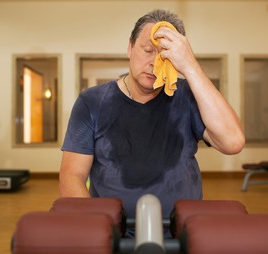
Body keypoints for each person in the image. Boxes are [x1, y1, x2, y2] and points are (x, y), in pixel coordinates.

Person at [59, 9, 245, 236]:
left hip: (182, 233)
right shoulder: (92, 101)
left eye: (165, 54)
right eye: (148, 50)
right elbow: (72, 175)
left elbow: (233, 142)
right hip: (113, 234)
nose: (154, 62)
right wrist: (95, 228)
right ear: (130, 48)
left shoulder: (188, 95)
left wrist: (190, 65)